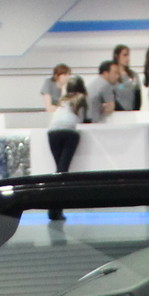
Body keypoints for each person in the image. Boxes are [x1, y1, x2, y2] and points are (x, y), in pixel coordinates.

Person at [44, 76, 85, 219]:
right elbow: (84, 119)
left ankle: (54, 208)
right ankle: (55, 209)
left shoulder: (61, 100)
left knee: (58, 172)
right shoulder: (80, 99)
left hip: (52, 132)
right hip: (69, 132)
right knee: (63, 172)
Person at [110, 43, 141, 111]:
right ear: (117, 56)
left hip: (132, 112)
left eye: (128, 55)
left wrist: (135, 111)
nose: (127, 58)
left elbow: (138, 95)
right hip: (117, 113)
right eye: (124, 55)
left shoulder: (134, 75)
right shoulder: (112, 75)